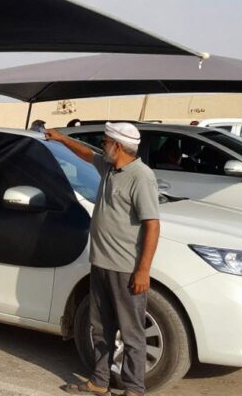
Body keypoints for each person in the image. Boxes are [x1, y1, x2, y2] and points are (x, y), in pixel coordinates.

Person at [46, 123, 160, 396]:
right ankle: (99, 381)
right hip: (101, 265)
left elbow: (152, 225)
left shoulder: (140, 176)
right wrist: (61, 139)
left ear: (118, 146)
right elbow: (86, 154)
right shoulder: (110, 167)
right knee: (100, 328)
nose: (102, 145)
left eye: (106, 141)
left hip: (125, 269)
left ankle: (134, 389)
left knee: (131, 334)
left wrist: (143, 270)